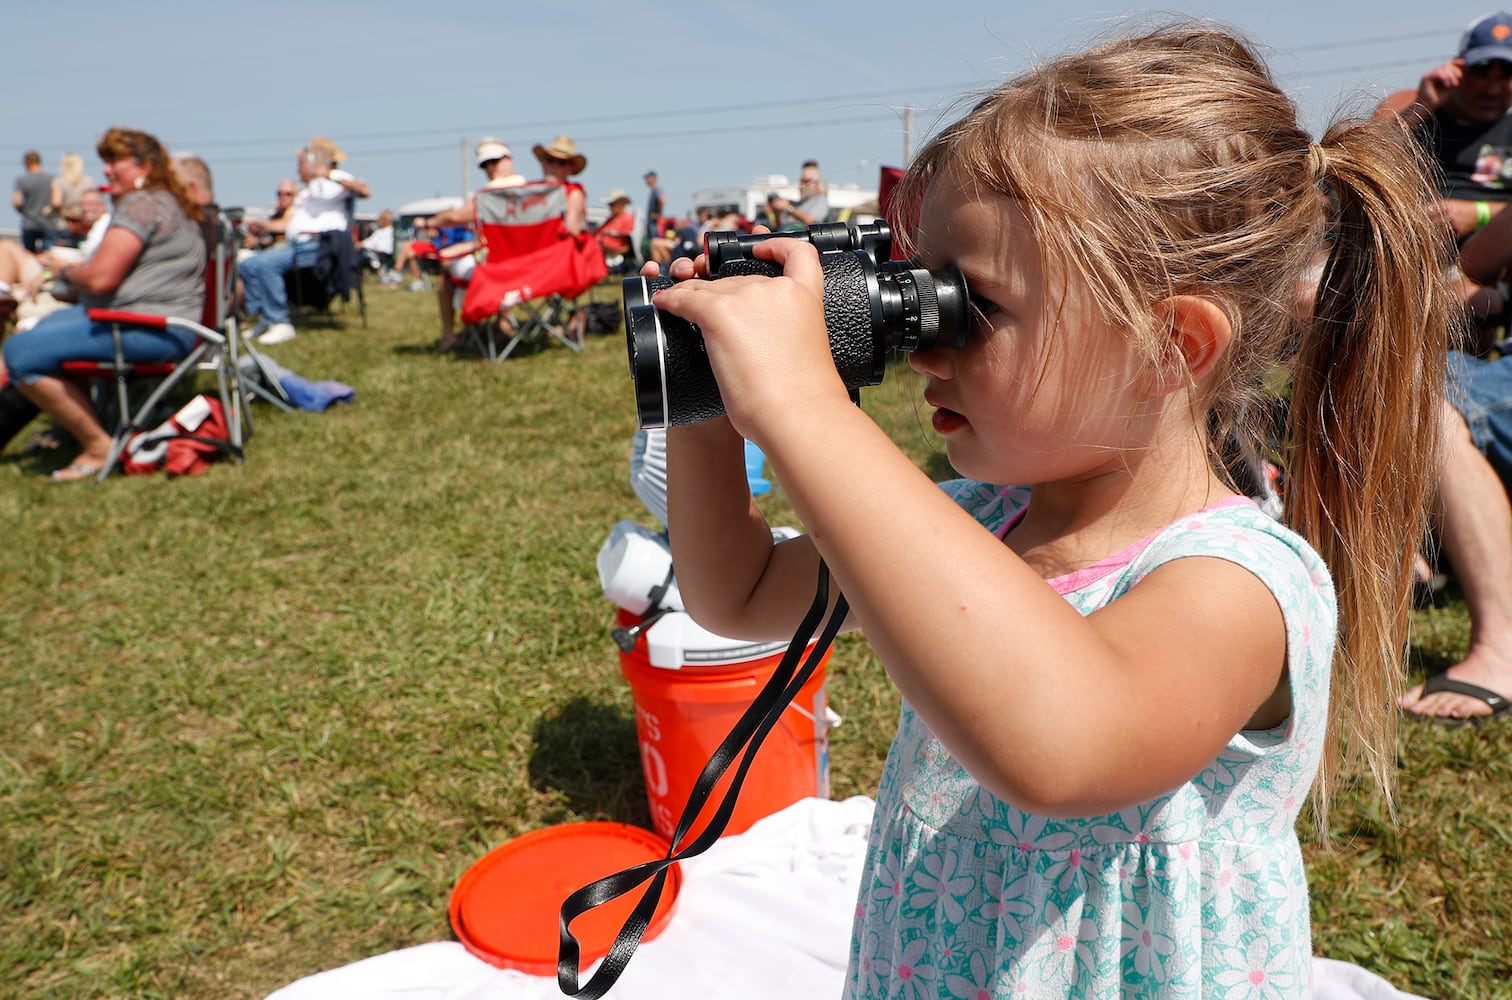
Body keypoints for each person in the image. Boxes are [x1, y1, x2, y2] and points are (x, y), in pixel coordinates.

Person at [642, 24, 1451, 996]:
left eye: (969, 306)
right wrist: (700, 402)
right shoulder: (977, 518)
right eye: (919, 292)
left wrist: (807, 411)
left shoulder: (1238, 583)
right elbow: (739, 592)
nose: (925, 348)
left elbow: (1062, 742)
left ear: (1172, 346)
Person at [2, 127, 204, 482]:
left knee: (20, 351)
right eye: (105, 161)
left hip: (149, 328)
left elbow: (100, 279)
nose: (107, 170)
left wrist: (67, 269)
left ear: (145, 165)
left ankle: (98, 445)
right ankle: (75, 426)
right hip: (163, 323)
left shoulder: (142, 206)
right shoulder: (165, 201)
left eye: (115, 161)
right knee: (42, 329)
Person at [238, 140, 363, 346]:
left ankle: (280, 322)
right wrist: (265, 226)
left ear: (313, 163)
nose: (298, 169)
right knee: (248, 265)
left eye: (300, 164)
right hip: (299, 245)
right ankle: (267, 317)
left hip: (321, 246)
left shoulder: (336, 180)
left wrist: (329, 175)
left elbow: (364, 189)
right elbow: (290, 223)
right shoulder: (307, 193)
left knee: (266, 264)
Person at [411, 137, 525, 352]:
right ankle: (499, 322)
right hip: (530, 270)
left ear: (509, 159)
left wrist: (427, 222)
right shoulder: (536, 193)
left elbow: (456, 216)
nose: (490, 168)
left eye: (494, 161)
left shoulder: (490, 194)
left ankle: (449, 335)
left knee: (447, 268)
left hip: (498, 270)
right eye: (485, 164)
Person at [13, 150, 56, 253]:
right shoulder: (52, 179)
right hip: (48, 223)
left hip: (29, 222)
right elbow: (56, 201)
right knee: (47, 256)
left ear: (27, 162)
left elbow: (17, 202)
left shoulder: (23, 180)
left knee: (28, 256)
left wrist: (24, 211)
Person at [768, 160, 828, 230]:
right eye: (801, 181)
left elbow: (811, 220)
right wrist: (776, 211)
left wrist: (787, 208)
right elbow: (778, 226)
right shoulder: (799, 203)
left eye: (806, 181)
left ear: (817, 183)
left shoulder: (821, 200)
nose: (802, 184)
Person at [50, 152, 96, 234]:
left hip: (65, 224)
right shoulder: (89, 181)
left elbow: (56, 203)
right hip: (84, 224)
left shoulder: (59, 182)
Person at [642, 170, 664, 261]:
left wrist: (658, 214)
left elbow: (662, 200)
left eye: (647, 178)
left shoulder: (657, 189)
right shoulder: (654, 189)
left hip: (654, 223)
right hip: (652, 223)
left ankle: (659, 268)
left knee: (655, 245)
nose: (646, 181)